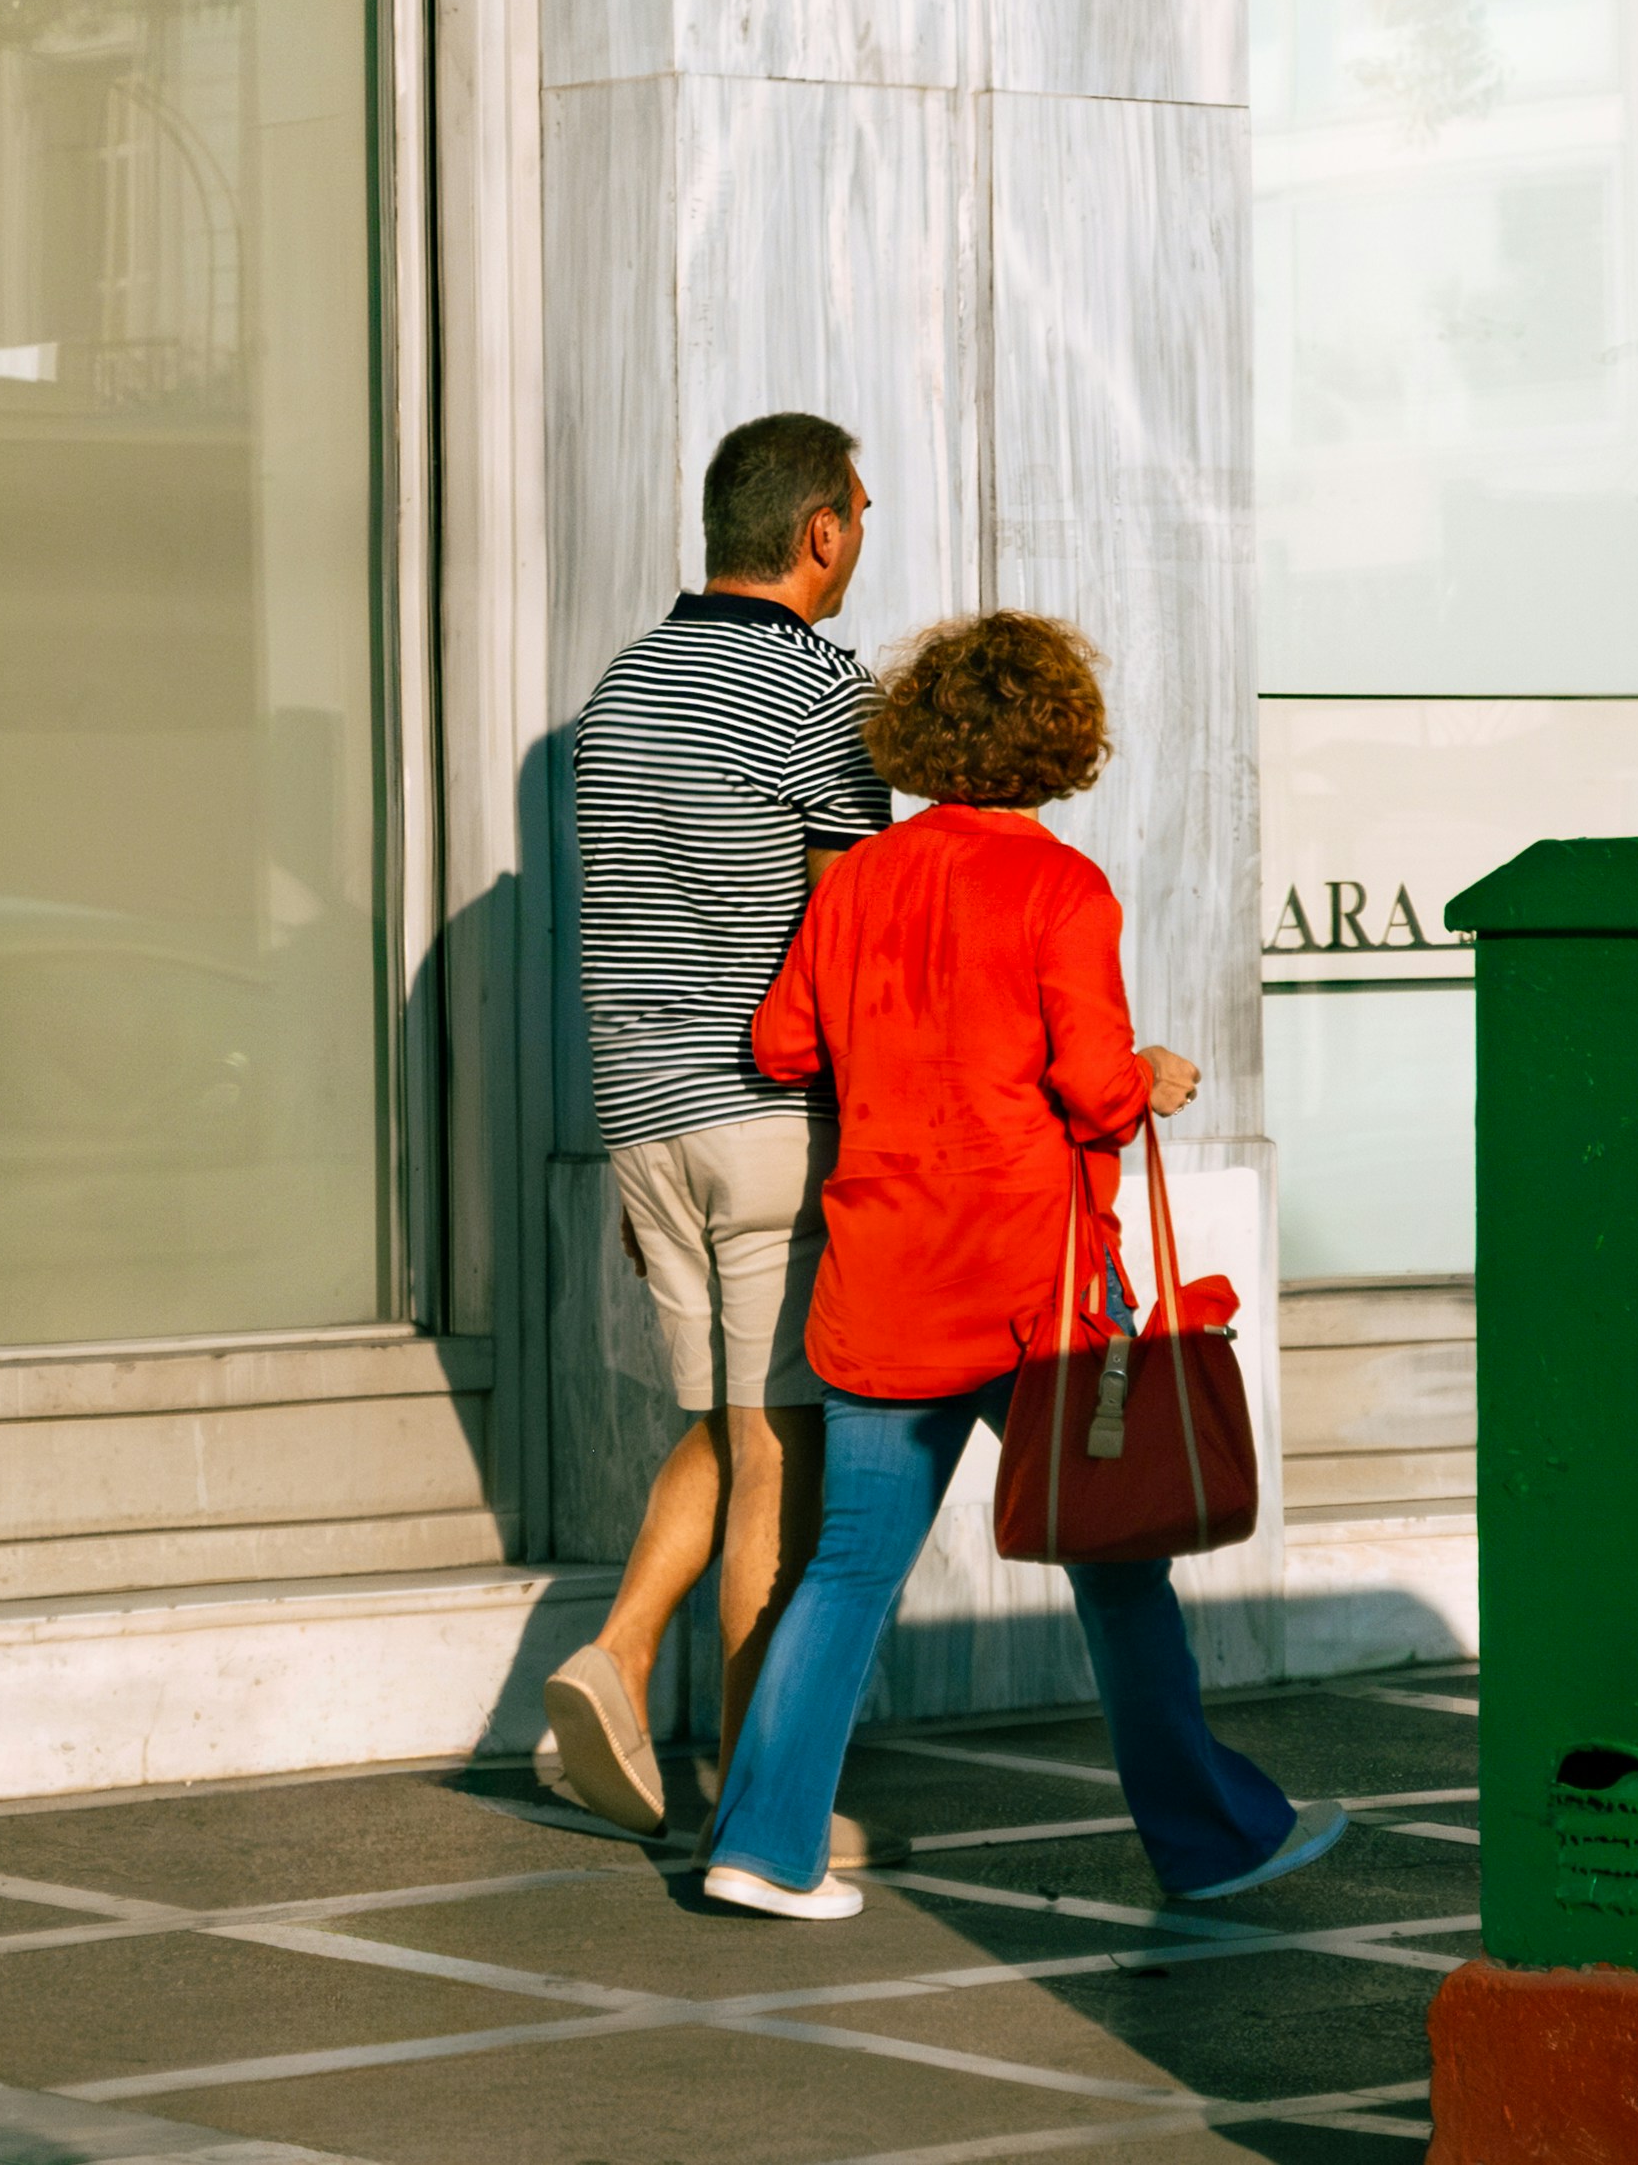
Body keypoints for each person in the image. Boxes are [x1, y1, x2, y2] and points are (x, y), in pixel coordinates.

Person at [701, 610, 1344, 1925]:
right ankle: (1210, 1838)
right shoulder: (1062, 889)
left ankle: (762, 1844)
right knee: (1118, 1572)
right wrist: (1153, 1069)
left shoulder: (860, 881)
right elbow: (1099, 1092)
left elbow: (778, 1043)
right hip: (1037, 1292)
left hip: (884, 1279)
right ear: (1058, 737)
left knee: (846, 1568)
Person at [546, 411, 889, 1849]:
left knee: (731, 1420)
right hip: (771, 1115)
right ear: (820, 529)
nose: (861, 538)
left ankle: (617, 1655)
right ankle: (765, 1802)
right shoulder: (822, 688)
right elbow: (849, 928)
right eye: (860, 514)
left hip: (641, 1118)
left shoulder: (621, 688)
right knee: (785, 1459)